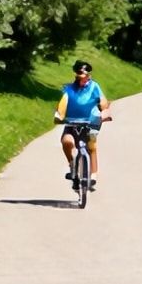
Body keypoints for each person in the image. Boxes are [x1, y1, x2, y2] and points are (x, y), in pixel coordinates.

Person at [53, 60, 110, 188]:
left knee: (91, 146)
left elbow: (103, 102)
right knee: (67, 142)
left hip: (91, 121)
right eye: (80, 76)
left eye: (85, 76)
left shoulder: (94, 87)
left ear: (89, 75)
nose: (83, 79)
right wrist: (59, 115)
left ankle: (93, 175)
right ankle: (72, 166)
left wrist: (104, 112)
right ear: (76, 76)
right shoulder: (69, 89)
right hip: (72, 122)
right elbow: (63, 104)